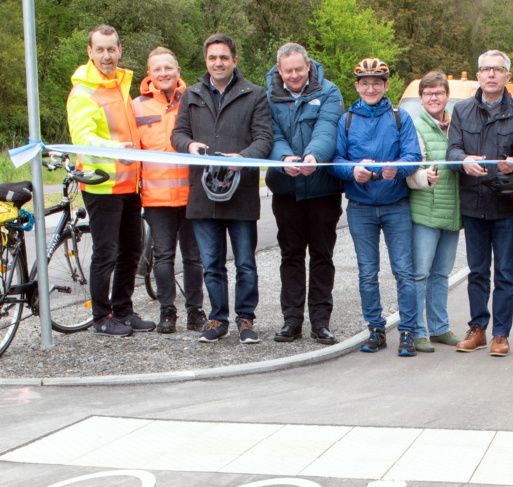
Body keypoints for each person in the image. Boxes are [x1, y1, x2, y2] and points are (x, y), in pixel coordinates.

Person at [172, 33, 273, 343]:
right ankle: (218, 319)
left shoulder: (255, 94)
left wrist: (243, 158)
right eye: (213, 57)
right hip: (202, 194)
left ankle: (245, 318)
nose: (218, 62)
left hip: (240, 193)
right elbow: (178, 134)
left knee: (245, 262)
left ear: (234, 60)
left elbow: (265, 139)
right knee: (211, 264)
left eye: (224, 57)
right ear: (206, 61)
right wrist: (189, 145)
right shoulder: (190, 95)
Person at [328, 58, 423, 356]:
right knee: (367, 272)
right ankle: (375, 328)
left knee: (404, 271)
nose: (371, 88)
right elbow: (336, 162)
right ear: (357, 86)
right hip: (360, 206)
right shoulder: (346, 120)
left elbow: (413, 156)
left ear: (386, 85)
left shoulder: (400, 117)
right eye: (365, 83)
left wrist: (399, 168)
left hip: (396, 205)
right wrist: (352, 170)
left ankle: (407, 331)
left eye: (377, 83)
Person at [446, 50, 513, 357]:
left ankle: (501, 334)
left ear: (507, 76)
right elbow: (452, 151)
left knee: (506, 272)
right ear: (478, 75)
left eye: (497, 69)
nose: (491, 74)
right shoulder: (462, 110)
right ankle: (477, 330)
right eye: (485, 69)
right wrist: (463, 161)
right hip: (473, 203)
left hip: (507, 205)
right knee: (478, 271)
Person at [67, 25, 154, 337]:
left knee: (131, 250)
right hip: (102, 185)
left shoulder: (120, 85)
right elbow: (83, 139)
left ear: (120, 50)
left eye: (111, 49)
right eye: (100, 50)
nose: (106, 56)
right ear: (90, 52)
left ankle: (123, 309)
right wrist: (118, 150)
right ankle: (101, 317)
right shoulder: (83, 92)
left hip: (130, 184)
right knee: (106, 252)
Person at [265, 42, 345, 346]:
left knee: (322, 256)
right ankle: (292, 321)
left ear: (308, 65)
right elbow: (270, 133)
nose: (295, 75)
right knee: (291, 256)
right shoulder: (269, 97)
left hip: (323, 189)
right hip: (286, 190)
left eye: (300, 68)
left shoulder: (329, 91)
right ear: (280, 71)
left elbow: (327, 129)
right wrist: (286, 159)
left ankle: (321, 322)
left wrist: (312, 156)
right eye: (289, 70)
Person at [132, 47, 206, 334]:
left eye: (168, 68)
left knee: (193, 258)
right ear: (149, 74)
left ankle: (195, 312)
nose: (163, 73)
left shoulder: (194, 100)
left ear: (178, 71)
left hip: (192, 196)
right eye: (157, 69)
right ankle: (167, 313)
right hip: (157, 198)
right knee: (163, 257)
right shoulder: (137, 106)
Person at [406, 70, 461, 353]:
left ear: (446, 96)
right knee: (420, 274)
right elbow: (411, 170)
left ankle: (439, 329)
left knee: (441, 274)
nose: (433, 98)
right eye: (428, 94)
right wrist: (423, 178)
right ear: (421, 98)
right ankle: (416, 331)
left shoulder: (456, 126)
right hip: (425, 212)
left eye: (438, 93)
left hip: (452, 212)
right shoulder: (415, 127)